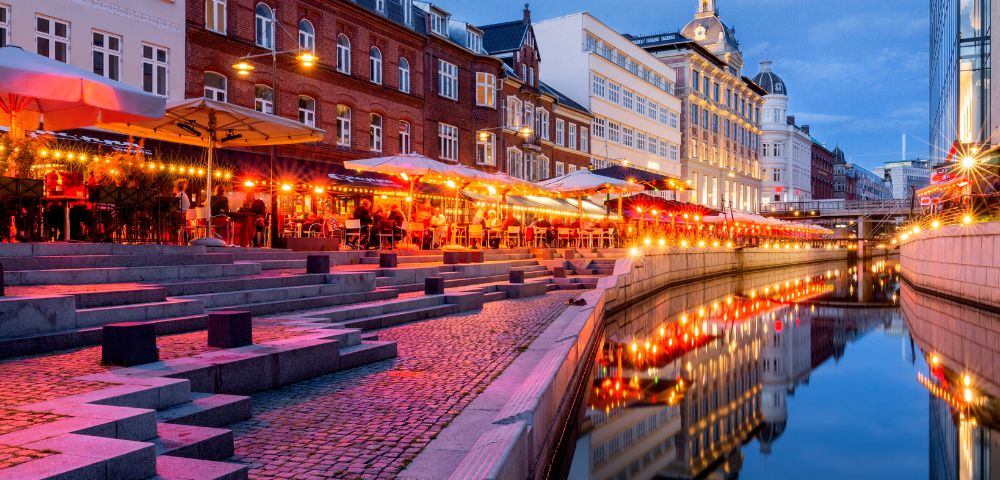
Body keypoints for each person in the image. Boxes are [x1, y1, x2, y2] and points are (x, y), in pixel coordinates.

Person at [174, 179, 191, 244]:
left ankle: (172, 239)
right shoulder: (185, 195)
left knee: (166, 219)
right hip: (184, 217)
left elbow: (173, 207)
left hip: (179, 217)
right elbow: (188, 205)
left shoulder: (179, 195)